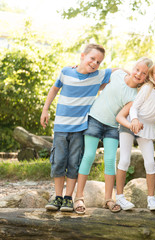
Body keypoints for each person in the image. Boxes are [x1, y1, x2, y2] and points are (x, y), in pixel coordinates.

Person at [73, 57, 153, 214]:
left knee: (110, 160)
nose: (138, 74)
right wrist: (79, 67)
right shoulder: (117, 74)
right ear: (133, 66)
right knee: (88, 156)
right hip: (94, 119)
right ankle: (79, 197)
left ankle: (109, 199)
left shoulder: (136, 96)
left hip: (112, 127)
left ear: (146, 78)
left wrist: (132, 125)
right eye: (137, 69)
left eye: (143, 74)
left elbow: (124, 114)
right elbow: (95, 75)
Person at [41, 43, 112, 212]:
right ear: (82, 56)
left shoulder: (98, 76)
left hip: (80, 128)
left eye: (99, 62)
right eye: (92, 58)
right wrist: (45, 109)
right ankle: (58, 197)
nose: (95, 63)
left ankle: (68, 198)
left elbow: (118, 70)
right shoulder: (66, 71)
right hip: (60, 127)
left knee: (74, 163)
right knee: (58, 161)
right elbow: (54, 89)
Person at [115, 58, 155, 211]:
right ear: (152, 74)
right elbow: (134, 107)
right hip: (131, 122)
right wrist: (134, 120)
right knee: (124, 160)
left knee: (150, 163)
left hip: (147, 127)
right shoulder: (148, 87)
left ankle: (151, 200)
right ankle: (120, 197)